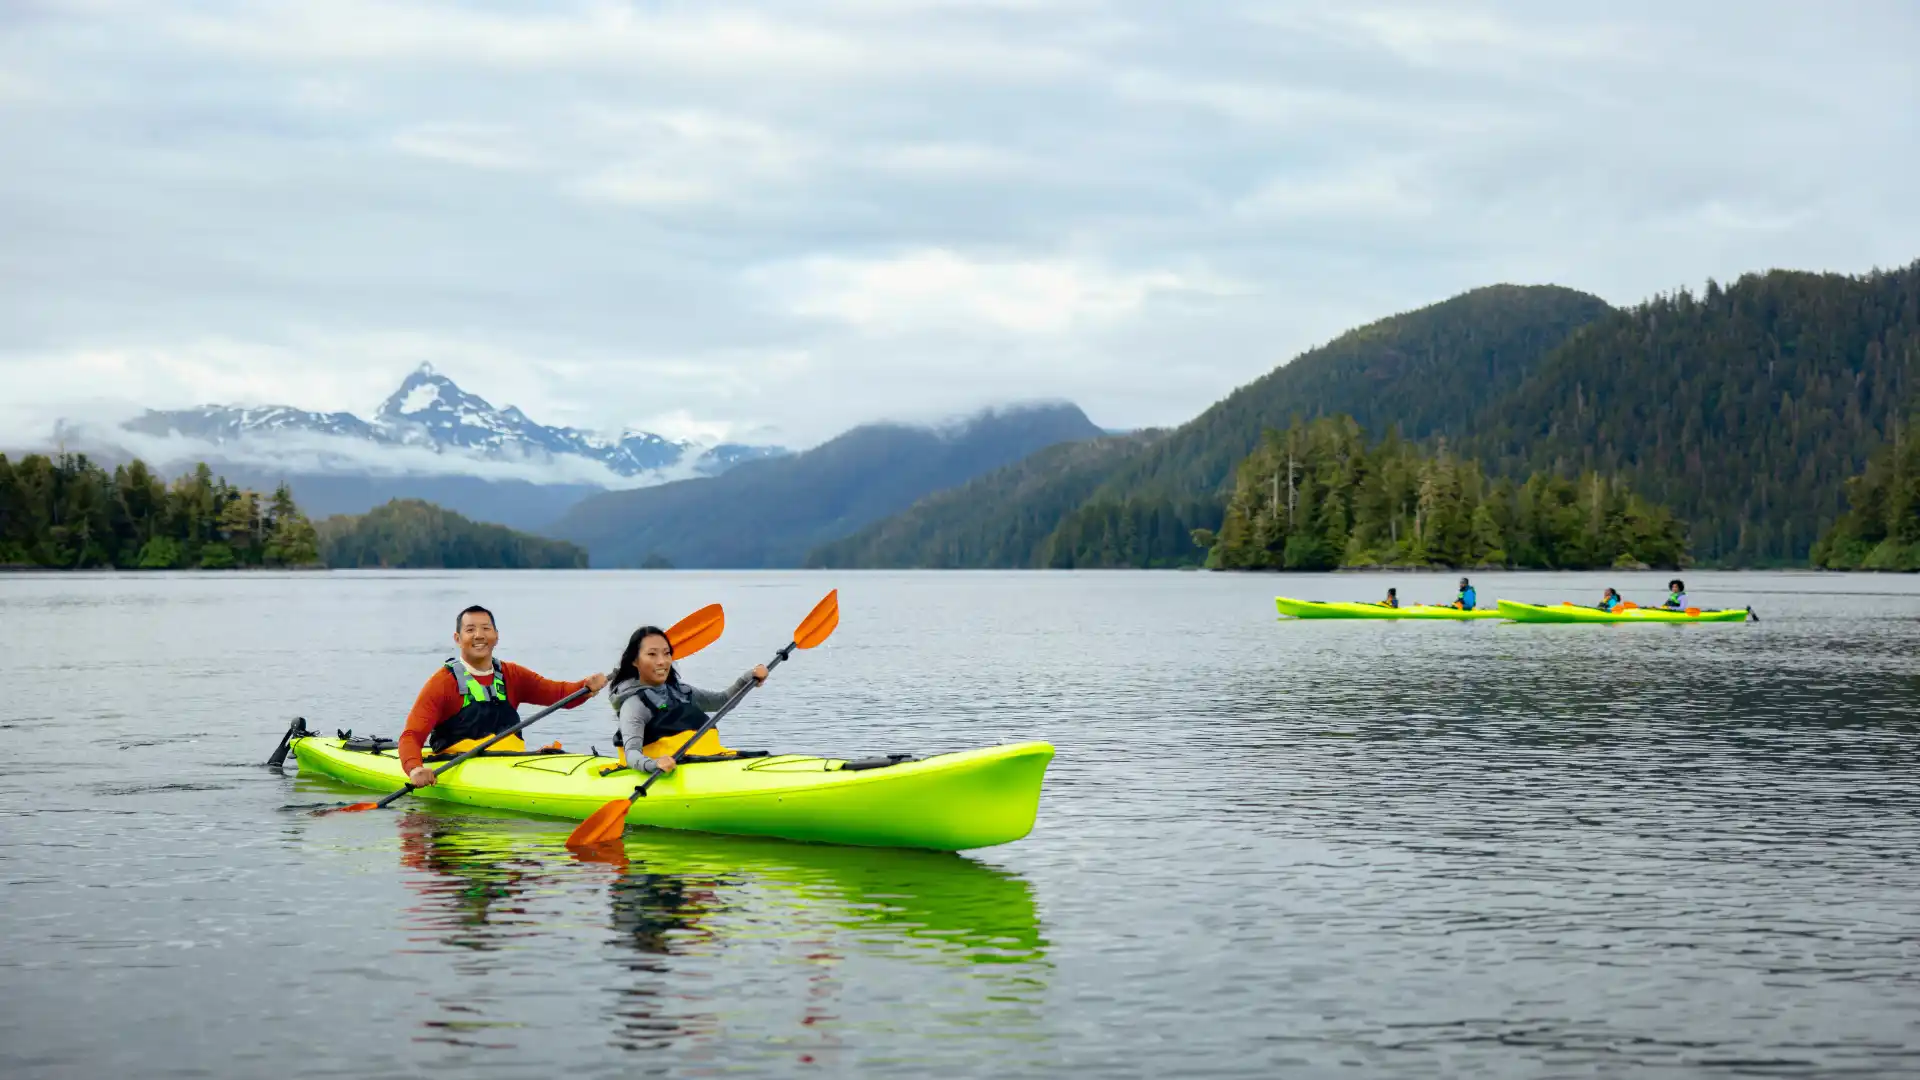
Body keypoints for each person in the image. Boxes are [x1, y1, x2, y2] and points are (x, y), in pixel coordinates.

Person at [397, 605, 608, 789]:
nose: (479, 635)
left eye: (486, 628)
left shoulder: (512, 674)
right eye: (470, 630)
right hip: (458, 768)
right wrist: (415, 769)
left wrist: (586, 686)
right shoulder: (442, 683)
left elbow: (560, 695)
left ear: (496, 636)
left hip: (513, 764)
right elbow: (411, 736)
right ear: (458, 639)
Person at [610, 625, 770, 775]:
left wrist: (749, 678)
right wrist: (654, 764)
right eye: (652, 654)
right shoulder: (634, 705)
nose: (662, 661)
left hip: (705, 760)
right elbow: (632, 754)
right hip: (664, 770)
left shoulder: (681, 692)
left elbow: (723, 701)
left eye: (666, 653)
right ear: (635, 661)